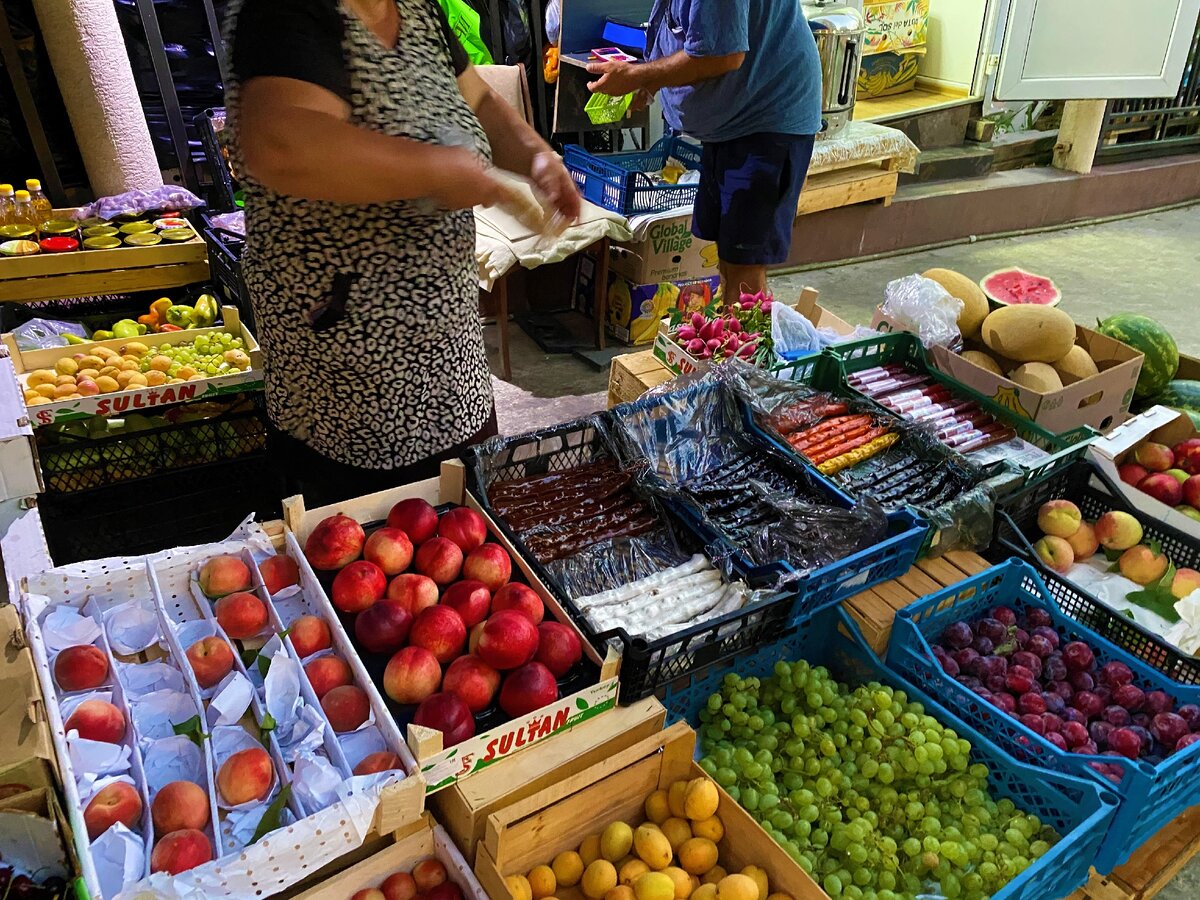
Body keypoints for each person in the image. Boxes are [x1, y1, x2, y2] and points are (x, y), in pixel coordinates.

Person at [225, 0, 580, 507]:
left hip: (448, 347)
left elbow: (477, 101)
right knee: (365, 544)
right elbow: (283, 142)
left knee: (466, 520)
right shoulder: (285, 12)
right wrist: (439, 173)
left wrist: (536, 155)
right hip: (347, 356)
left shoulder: (420, 11)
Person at [587, 0, 822, 297]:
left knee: (743, 265)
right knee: (727, 254)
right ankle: (730, 334)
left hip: (765, 120)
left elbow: (723, 56)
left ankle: (742, 340)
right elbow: (687, 30)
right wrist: (650, 82)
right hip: (729, 120)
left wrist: (642, 76)